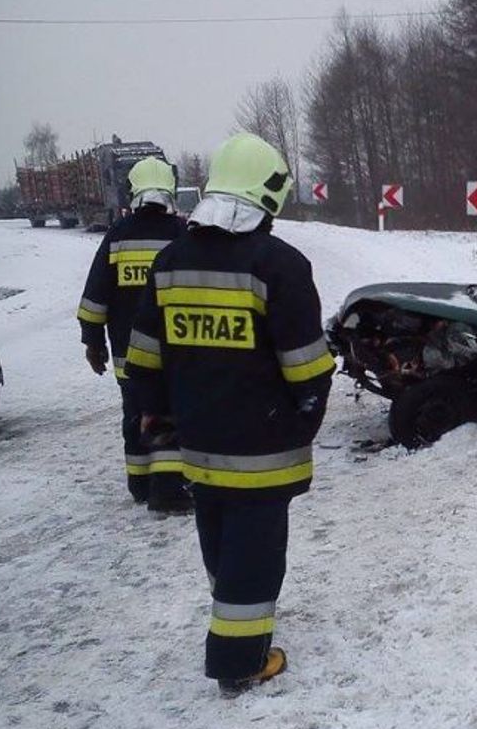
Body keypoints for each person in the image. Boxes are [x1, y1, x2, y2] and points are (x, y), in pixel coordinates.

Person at [124, 133, 335, 695]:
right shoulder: (279, 265)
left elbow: (144, 353)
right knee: (256, 551)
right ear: (268, 196)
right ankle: (239, 661)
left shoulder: (170, 262)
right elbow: (306, 366)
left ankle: (235, 608)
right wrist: (304, 418)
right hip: (263, 445)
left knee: (218, 537)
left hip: (197, 441)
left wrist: (155, 412)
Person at [76, 156, 192, 516]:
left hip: (129, 352)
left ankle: (140, 484)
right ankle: (168, 489)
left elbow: (95, 295)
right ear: (169, 191)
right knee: (170, 414)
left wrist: (92, 342)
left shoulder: (117, 236)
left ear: (134, 191)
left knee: (134, 414)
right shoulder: (182, 235)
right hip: (174, 353)